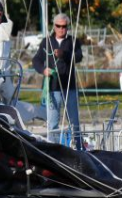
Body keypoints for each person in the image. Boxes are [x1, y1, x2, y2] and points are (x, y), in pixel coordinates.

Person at [32, 13, 83, 149]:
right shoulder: (46, 41)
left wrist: (63, 54)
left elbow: (78, 57)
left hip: (69, 87)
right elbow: (36, 60)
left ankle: (79, 148)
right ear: (54, 27)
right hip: (53, 87)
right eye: (58, 26)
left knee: (74, 121)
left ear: (67, 27)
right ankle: (52, 150)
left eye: (64, 26)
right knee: (53, 122)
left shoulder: (73, 41)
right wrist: (43, 70)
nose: (61, 29)